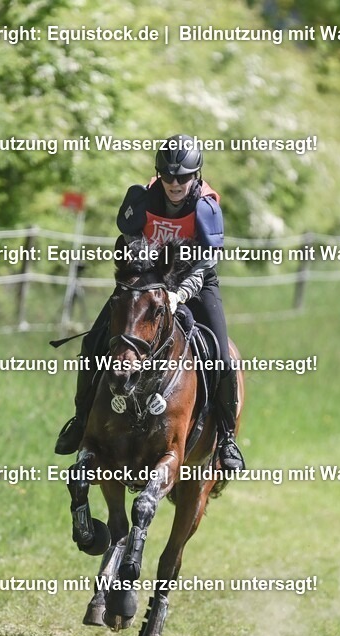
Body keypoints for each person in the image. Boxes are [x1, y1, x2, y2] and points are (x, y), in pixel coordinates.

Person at [54, 133, 245, 472]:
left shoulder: (205, 208)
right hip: (148, 285)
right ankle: (81, 419)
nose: (175, 183)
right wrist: (146, 279)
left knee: (221, 357)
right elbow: (130, 242)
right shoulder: (141, 199)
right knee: (94, 341)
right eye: (168, 176)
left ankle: (226, 437)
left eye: (183, 177)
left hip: (195, 285)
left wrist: (178, 294)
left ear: (196, 175)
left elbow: (205, 264)